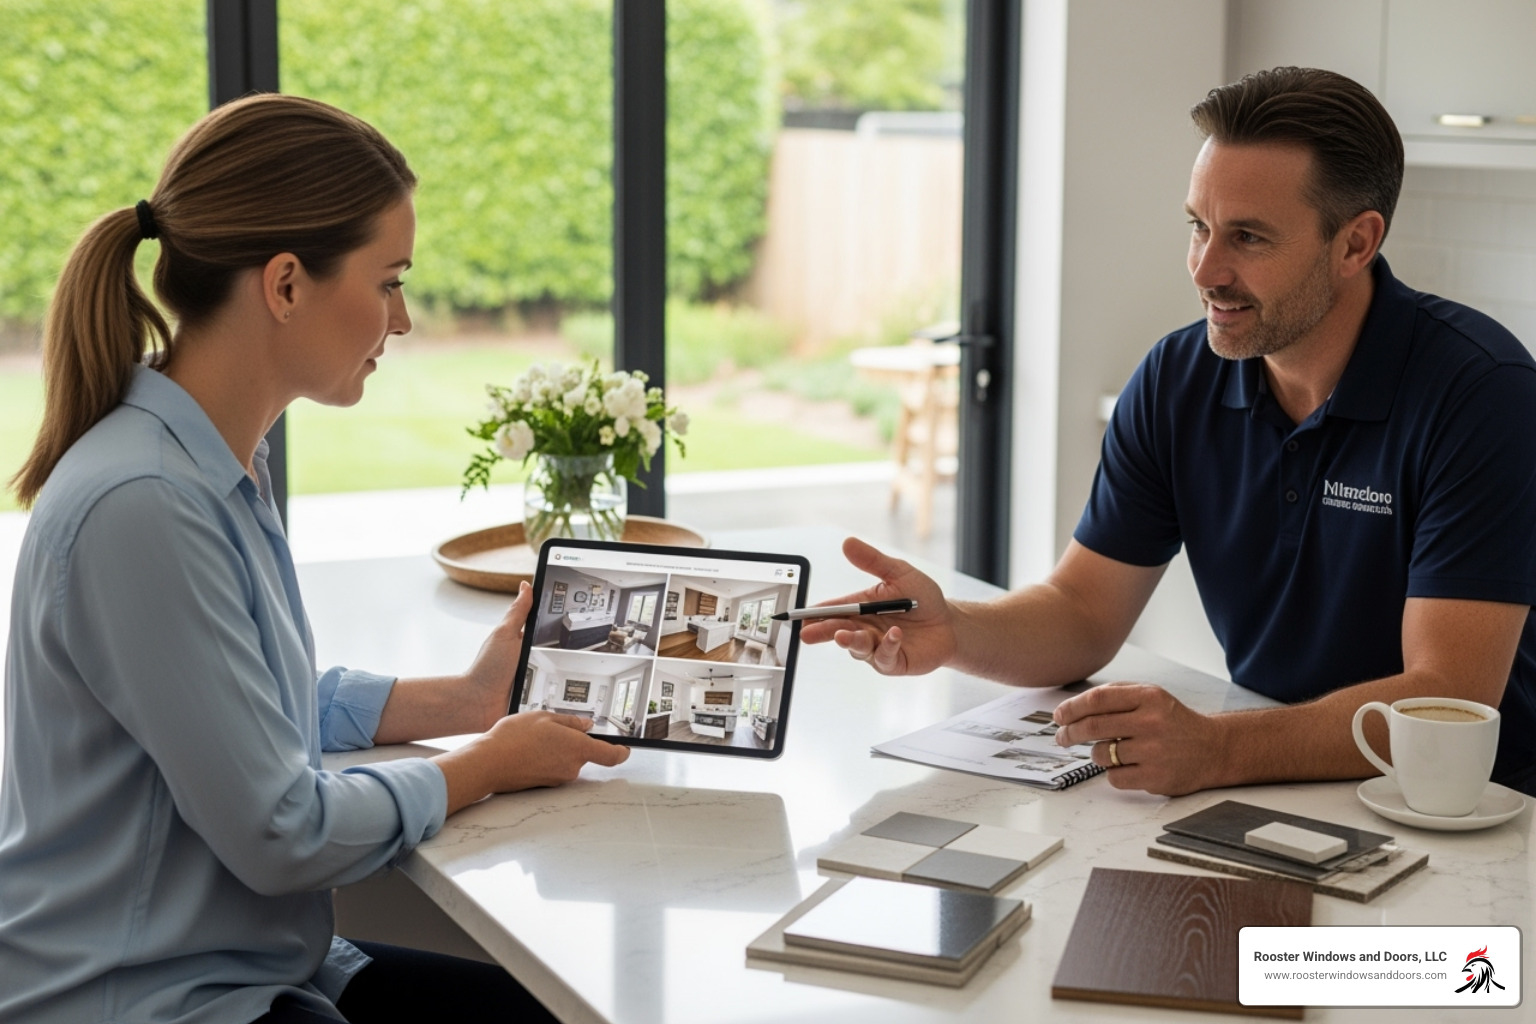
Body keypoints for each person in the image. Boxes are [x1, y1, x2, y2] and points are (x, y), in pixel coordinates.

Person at [0, 94, 629, 1024]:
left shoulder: (199, 461)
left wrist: (465, 701)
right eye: (389, 281)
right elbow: (282, 834)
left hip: (241, 962)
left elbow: (247, 704)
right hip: (146, 999)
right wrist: (489, 762)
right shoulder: (147, 504)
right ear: (287, 285)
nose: (404, 320)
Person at [803, 67, 1536, 800]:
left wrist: (1217, 749)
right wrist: (954, 630)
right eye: (1198, 226)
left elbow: (1446, 700)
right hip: (1275, 775)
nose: (1205, 269)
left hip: (1476, 812)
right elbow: (1083, 612)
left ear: (1355, 244)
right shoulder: (1176, 379)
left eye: (1247, 237)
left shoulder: (1481, 393)